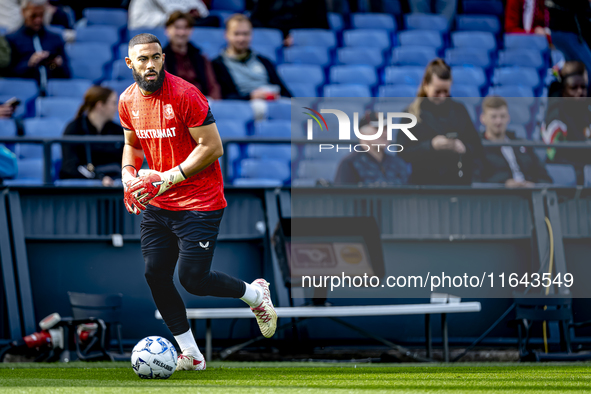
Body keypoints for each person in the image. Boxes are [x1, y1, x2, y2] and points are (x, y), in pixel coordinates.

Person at [119, 33, 277, 371]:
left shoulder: (186, 94)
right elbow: (131, 145)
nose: (151, 65)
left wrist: (167, 177)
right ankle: (190, 354)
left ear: (163, 59)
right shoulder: (127, 100)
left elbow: (212, 147)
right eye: (143, 59)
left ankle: (254, 294)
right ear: (130, 64)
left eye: (156, 57)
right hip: (159, 203)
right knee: (155, 274)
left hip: (199, 201)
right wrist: (128, 176)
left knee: (193, 279)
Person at [397, 58, 484, 185]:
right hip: (425, 184)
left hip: (458, 182)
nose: (442, 96)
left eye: (446, 91)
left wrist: (464, 147)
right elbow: (402, 152)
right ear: (426, 85)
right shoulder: (410, 114)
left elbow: (477, 146)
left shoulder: (459, 110)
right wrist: (431, 145)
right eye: (437, 91)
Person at [212, 14, 291, 102]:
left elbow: (286, 93)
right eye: (236, 34)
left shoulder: (264, 61)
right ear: (226, 34)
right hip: (244, 107)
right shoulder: (217, 65)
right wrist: (251, 96)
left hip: (272, 103)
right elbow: (222, 98)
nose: (241, 38)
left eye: (245, 34)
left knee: (297, 107)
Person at [476, 96, 552, 186]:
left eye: (502, 116)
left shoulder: (521, 144)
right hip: (500, 197)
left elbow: (545, 177)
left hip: (531, 194)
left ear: (508, 118)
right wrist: (504, 185)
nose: (499, 121)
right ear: (483, 118)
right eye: (493, 117)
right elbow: (477, 182)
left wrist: (534, 186)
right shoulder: (478, 147)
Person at [59, 86, 123, 186]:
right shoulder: (74, 129)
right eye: (113, 103)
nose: (116, 107)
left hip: (114, 187)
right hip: (82, 192)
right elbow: (70, 165)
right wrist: (98, 179)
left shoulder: (118, 131)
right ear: (100, 105)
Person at [542, 61, 591, 184]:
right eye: (574, 88)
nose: (580, 91)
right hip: (568, 174)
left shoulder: (585, 109)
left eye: (583, 87)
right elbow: (553, 154)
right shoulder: (555, 114)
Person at [5, 0, 70, 87]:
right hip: (24, 89)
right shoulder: (11, 39)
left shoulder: (55, 38)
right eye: (33, 16)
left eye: (41, 15)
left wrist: (56, 64)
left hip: (53, 90)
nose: (38, 20)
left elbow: (67, 74)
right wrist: (29, 64)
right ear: (23, 12)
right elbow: (8, 75)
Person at [334, 111, 409, 186]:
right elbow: (342, 196)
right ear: (361, 133)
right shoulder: (350, 164)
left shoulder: (398, 163)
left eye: (386, 128)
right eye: (378, 128)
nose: (385, 133)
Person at [163, 11, 221, 100]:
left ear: (191, 31)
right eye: (177, 28)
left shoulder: (201, 57)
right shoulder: (160, 60)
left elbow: (213, 87)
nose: (182, 33)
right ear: (167, 30)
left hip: (201, 103)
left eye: (186, 28)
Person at [128, 0, 218, 31]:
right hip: (163, 27)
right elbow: (136, 21)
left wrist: (197, 13)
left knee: (215, 19)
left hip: (193, 24)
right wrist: (171, 18)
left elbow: (204, 12)